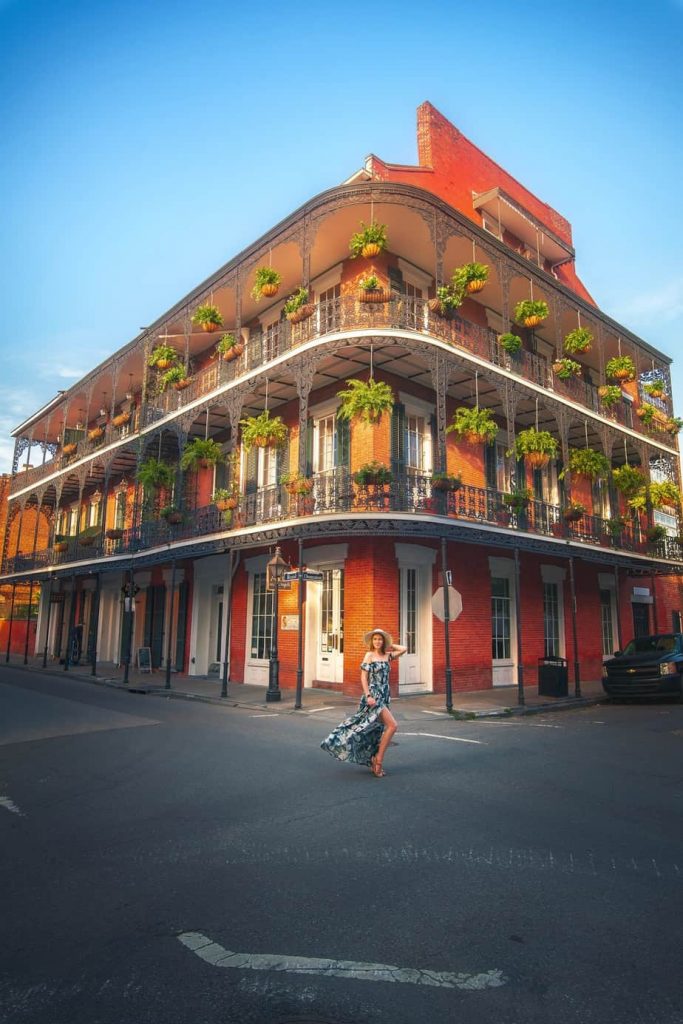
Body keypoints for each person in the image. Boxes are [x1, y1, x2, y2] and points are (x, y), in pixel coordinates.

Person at [320, 628, 406, 778]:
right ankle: (378, 760)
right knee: (392, 725)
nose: (377, 641)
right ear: (371, 642)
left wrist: (390, 645)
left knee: (375, 730)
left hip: (385, 695)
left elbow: (404, 649)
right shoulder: (369, 655)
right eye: (375, 639)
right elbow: (363, 677)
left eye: (380, 639)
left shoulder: (387, 656)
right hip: (374, 696)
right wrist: (368, 695)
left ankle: (374, 759)